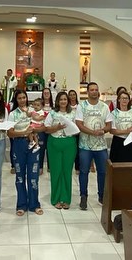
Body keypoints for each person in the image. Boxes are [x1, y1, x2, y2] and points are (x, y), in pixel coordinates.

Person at [75, 82, 111, 210]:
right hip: (85, 145)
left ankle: (102, 196)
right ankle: (83, 196)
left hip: (100, 146)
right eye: (92, 90)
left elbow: (109, 125)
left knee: (102, 172)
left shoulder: (104, 107)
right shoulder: (82, 106)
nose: (94, 92)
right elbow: (79, 124)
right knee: (84, 171)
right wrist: (92, 132)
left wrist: (103, 130)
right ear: (87, 92)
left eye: (96, 90)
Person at [7, 90, 43, 216]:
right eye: (19, 98)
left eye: (24, 97)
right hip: (19, 144)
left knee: (33, 176)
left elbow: (41, 124)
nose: (22, 100)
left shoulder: (32, 111)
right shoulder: (12, 114)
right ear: (16, 100)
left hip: (33, 144)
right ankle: (21, 204)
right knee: (20, 176)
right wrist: (23, 133)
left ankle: (34, 204)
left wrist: (35, 130)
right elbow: (9, 133)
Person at [44, 91, 77, 209]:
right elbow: (46, 129)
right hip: (54, 143)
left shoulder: (72, 113)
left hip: (69, 143)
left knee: (67, 171)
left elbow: (77, 129)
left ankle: (66, 199)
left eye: (65, 99)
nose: (63, 101)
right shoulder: (52, 113)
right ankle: (56, 198)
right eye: (61, 99)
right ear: (57, 101)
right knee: (56, 171)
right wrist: (56, 127)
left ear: (68, 101)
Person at [109, 91, 132, 163]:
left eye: (126, 98)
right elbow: (112, 130)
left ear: (129, 100)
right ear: (119, 100)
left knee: (131, 164)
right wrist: (126, 131)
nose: (124, 100)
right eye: (123, 98)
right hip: (118, 142)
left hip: (131, 141)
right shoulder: (114, 113)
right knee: (117, 164)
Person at [67, 90, 81, 174]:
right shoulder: (67, 106)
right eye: (70, 95)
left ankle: (77, 167)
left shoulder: (80, 106)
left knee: (78, 150)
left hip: (78, 130)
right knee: (69, 150)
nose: (72, 96)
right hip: (69, 131)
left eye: (74, 95)